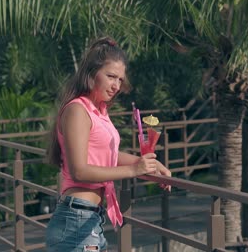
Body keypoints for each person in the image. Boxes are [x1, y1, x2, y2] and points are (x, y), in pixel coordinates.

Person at [45, 36, 171, 252]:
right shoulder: (78, 110)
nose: (116, 86)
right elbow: (80, 171)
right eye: (111, 76)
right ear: (92, 74)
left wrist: (147, 165)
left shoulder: (99, 111)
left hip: (90, 218)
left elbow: (108, 153)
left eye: (120, 80)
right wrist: (133, 169)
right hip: (76, 220)